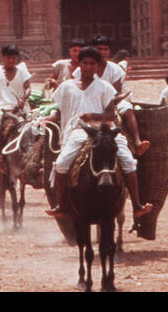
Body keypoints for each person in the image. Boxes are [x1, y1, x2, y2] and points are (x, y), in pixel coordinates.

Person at [46, 47, 154, 222]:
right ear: (78, 65)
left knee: (127, 160)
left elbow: (111, 115)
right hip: (78, 131)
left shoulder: (104, 87)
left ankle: (137, 205)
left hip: (104, 131)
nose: (88, 67)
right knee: (61, 163)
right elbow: (58, 110)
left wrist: (93, 116)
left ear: (97, 66)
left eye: (92, 63)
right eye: (85, 63)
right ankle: (62, 205)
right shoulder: (66, 86)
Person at [0, 44, 32, 147]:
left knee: (31, 125)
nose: (11, 60)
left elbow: (28, 88)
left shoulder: (22, 71)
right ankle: (0, 151)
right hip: (0, 107)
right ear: (3, 57)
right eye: (8, 58)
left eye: (13, 58)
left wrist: (23, 100)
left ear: (17, 58)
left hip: (20, 106)